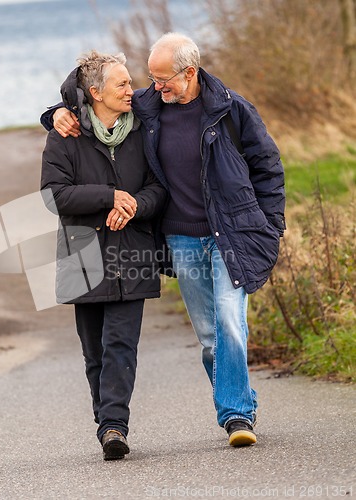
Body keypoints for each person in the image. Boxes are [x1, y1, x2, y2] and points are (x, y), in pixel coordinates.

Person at [42, 33, 286, 447]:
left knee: (229, 319)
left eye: (162, 78)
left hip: (232, 234)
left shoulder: (232, 109)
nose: (152, 87)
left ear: (188, 73)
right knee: (209, 335)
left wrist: (271, 223)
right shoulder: (150, 106)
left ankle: (236, 415)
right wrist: (56, 113)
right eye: (149, 79)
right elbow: (90, 100)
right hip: (183, 239)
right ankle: (237, 400)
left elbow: (267, 165)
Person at [41, 50, 166, 460]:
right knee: (94, 350)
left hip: (133, 251)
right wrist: (109, 196)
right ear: (95, 92)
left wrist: (134, 205)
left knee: (120, 345)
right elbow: (54, 195)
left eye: (130, 82)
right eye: (123, 84)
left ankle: (115, 425)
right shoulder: (65, 133)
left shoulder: (144, 130)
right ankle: (107, 423)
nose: (133, 89)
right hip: (83, 255)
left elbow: (158, 188)